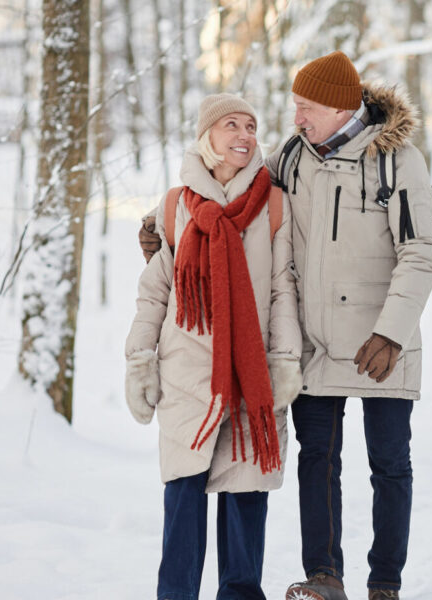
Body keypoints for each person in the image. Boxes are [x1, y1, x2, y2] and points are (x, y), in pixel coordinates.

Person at [139, 51, 432, 600]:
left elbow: (421, 251)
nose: (296, 117)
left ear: (340, 107)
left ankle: (385, 582)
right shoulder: (294, 157)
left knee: (389, 463)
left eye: (307, 107)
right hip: (314, 341)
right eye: (295, 106)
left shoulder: (397, 161)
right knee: (318, 460)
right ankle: (325, 577)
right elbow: (233, 187)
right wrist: (161, 224)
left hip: (381, 341)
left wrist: (393, 331)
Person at [125, 93, 303, 600]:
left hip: (250, 374)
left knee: (245, 497)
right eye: (232, 125)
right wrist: (140, 358)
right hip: (187, 375)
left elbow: (282, 290)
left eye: (251, 126)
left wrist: (284, 359)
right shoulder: (175, 205)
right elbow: (155, 291)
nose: (245, 135)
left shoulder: (272, 204)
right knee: (183, 498)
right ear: (207, 136)